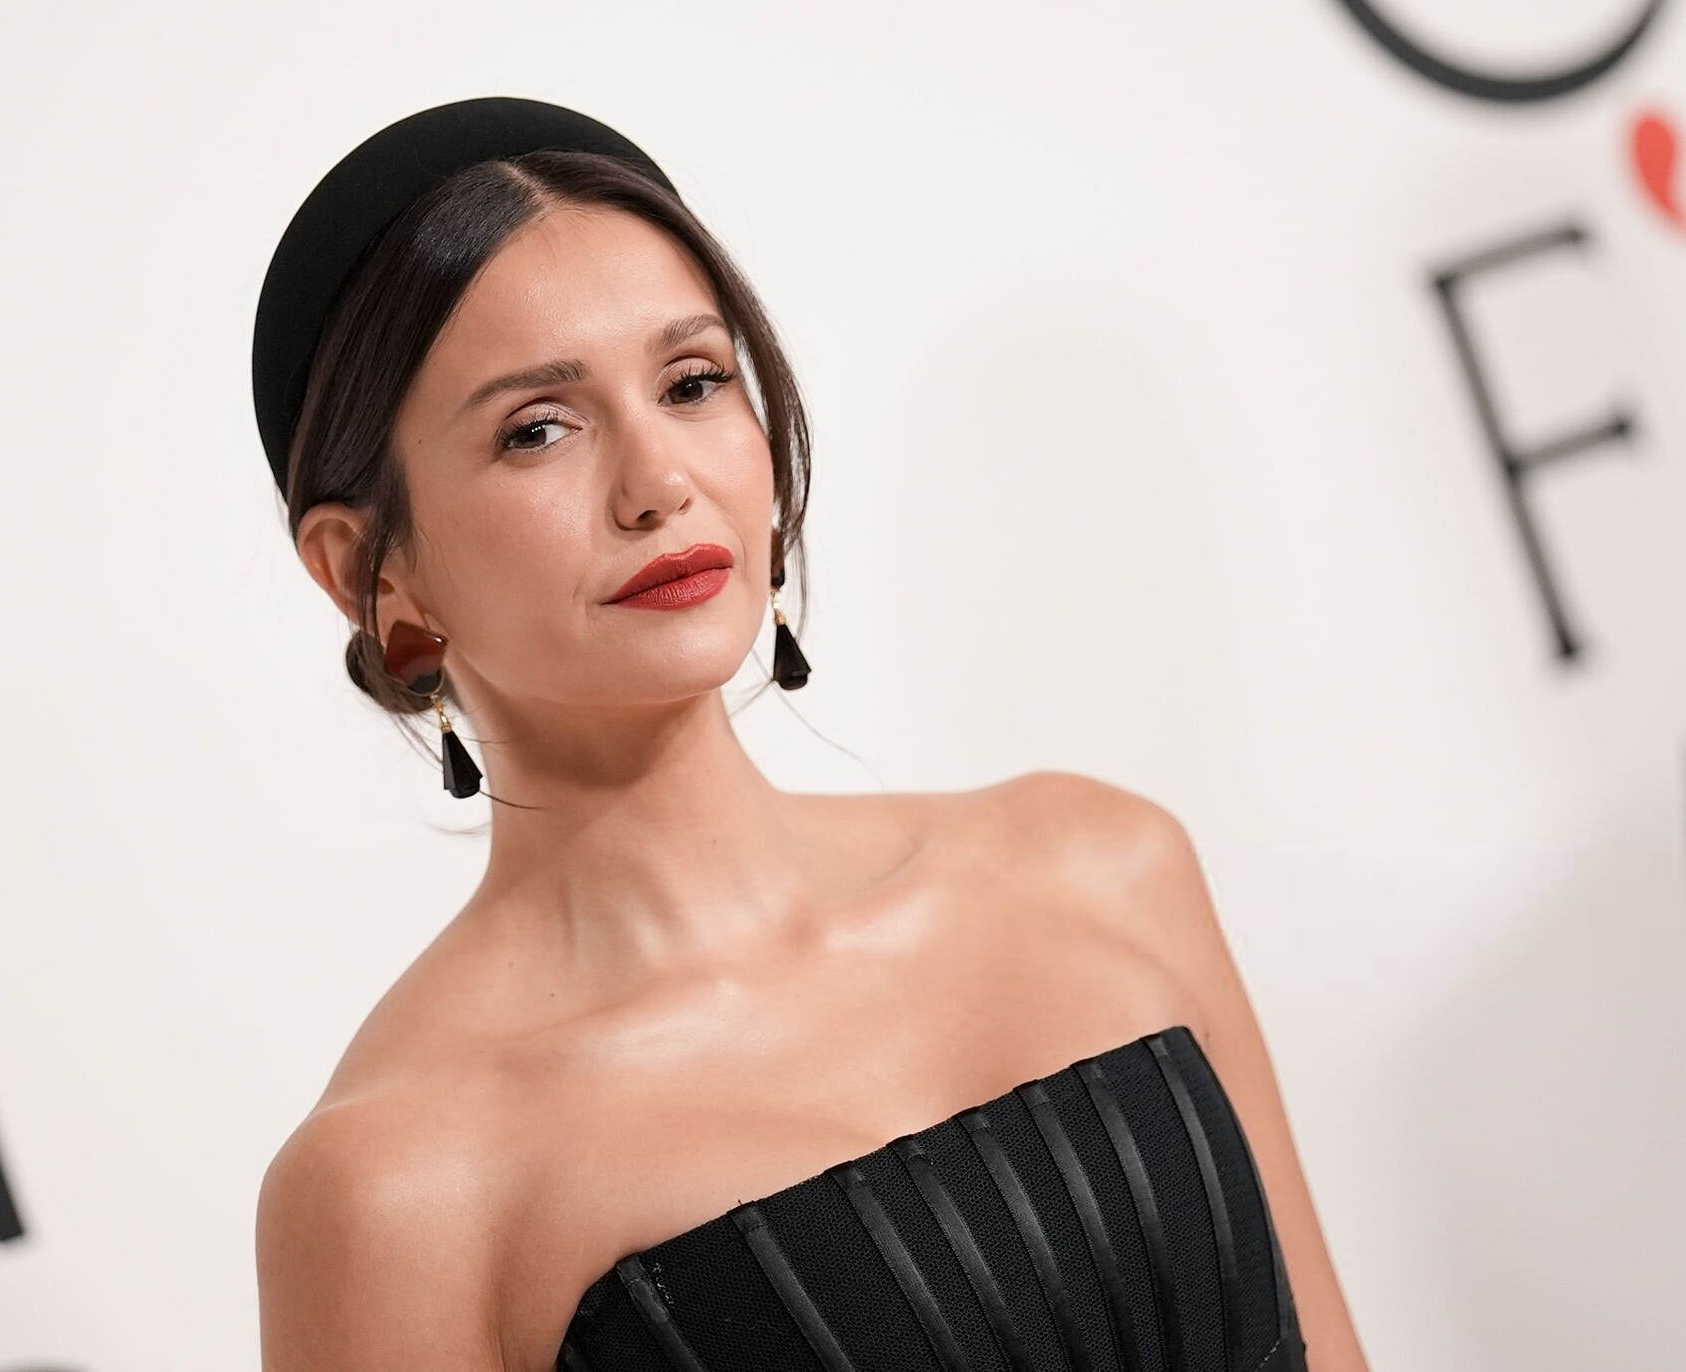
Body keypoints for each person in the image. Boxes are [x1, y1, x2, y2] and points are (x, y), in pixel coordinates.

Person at [251, 97, 1370, 1372]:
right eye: (538, 430)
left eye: (692, 382)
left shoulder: (1105, 866)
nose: (658, 482)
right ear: (370, 573)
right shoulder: (394, 1186)